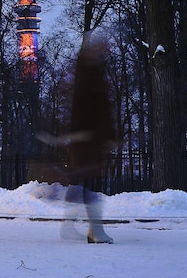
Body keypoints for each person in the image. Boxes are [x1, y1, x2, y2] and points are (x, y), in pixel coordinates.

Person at [63, 32, 116, 244]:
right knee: (91, 184)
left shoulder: (87, 70)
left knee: (85, 183)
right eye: (100, 46)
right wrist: (101, 134)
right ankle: (95, 231)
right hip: (88, 138)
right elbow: (96, 107)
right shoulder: (89, 72)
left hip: (87, 137)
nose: (104, 49)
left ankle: (78, 227)